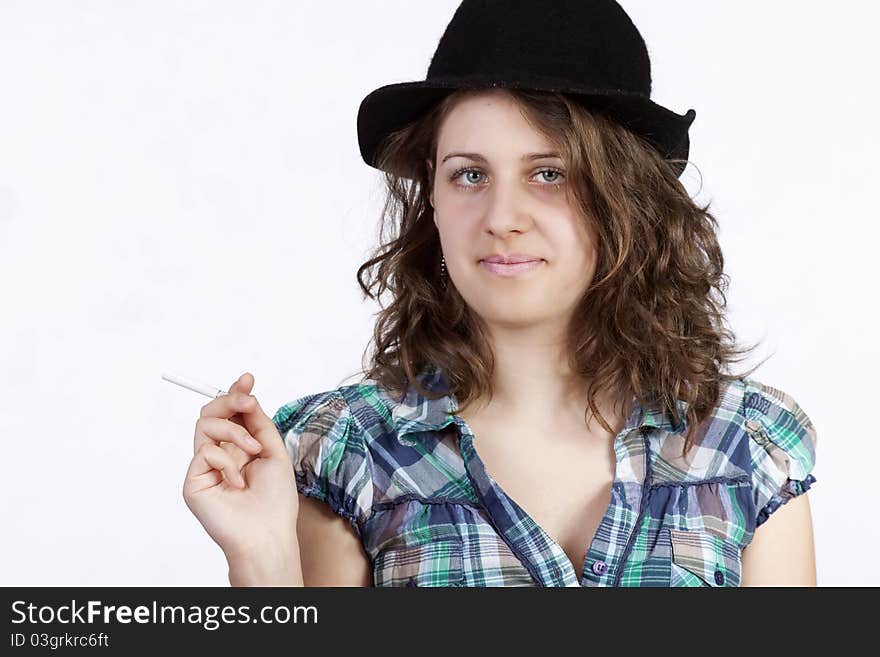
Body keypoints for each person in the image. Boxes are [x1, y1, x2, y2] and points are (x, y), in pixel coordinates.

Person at [183, 0, 818, 587]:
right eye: (469, 174)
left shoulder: (745, 442)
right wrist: (261, 556)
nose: (501, 216)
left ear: (626, 195)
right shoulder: (343, 451)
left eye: (549, 174)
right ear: (431, 196)